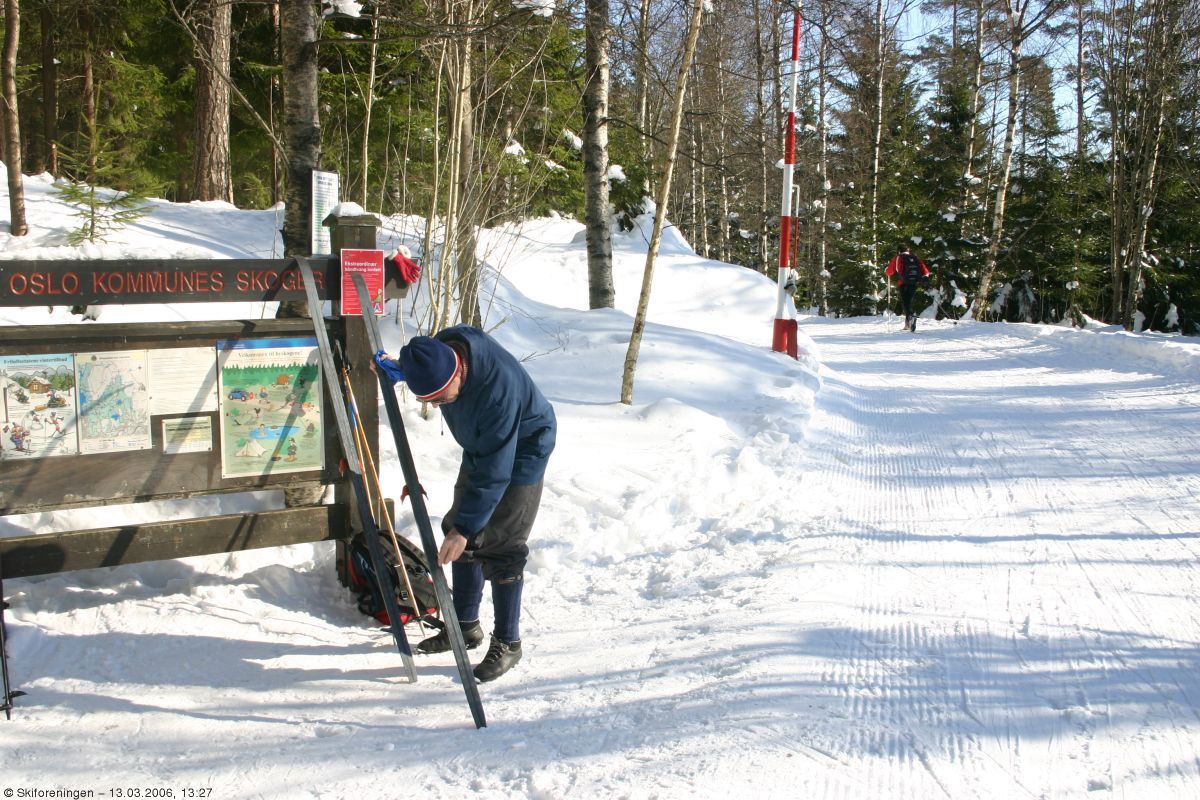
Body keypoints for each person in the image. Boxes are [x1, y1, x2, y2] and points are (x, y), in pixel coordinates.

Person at [374, 326, 556, 683]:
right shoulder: (439, 353)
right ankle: (465, 626)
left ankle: (508, 641)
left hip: (522, 449)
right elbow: (425, 372)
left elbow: (495, 472)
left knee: (501, 544)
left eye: (442, 397)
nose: (439, 405)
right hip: (482, 446)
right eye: (432, 401)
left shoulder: (496, 393)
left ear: (458, 371)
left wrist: (467, 529)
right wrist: (400, 370)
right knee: (459, 532)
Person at [885, 244, 931, 332]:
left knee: (906, 302)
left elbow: (889, 272)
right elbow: (926, 271)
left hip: (904, 283)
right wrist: (924, 279)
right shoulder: (915, 258)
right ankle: (909, 322)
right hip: (914, 282)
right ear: (908, 250)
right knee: (909, 301)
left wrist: (886, 270)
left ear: (899, 251)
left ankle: (910, 319)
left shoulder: (898, 257)